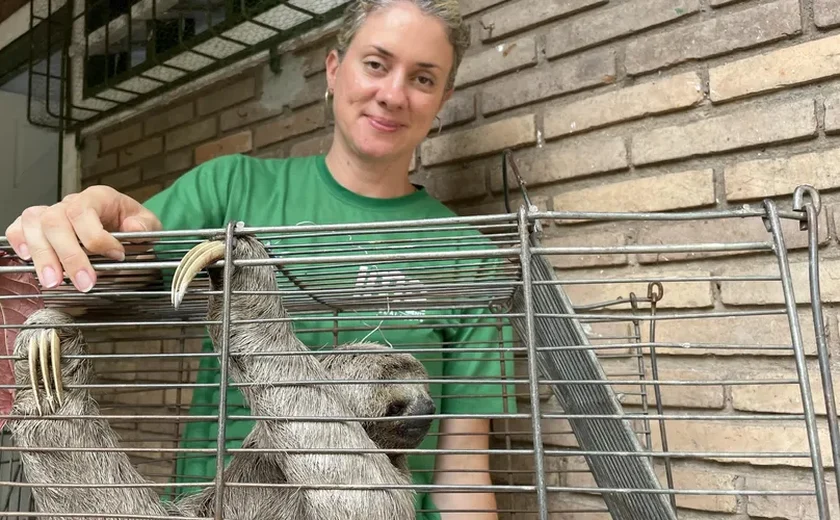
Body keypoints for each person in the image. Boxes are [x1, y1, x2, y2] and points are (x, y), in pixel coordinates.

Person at [4, 1, 517, 518]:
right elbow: (108, 281)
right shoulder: (232, 189)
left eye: (423, 78)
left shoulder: (472, 258)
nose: (393, 94)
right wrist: (85, 237)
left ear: (444, 97)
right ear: (334, 69)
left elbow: (464, 471)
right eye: (376, 64)